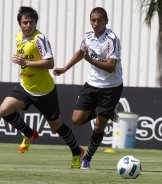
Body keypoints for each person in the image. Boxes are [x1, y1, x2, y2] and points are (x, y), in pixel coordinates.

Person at [0, 6, 83, 169]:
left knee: (56, 126)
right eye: (25, 22)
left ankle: (76, 151)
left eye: (31, 22)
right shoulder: (18, 37)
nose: (28, 25)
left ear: (35, 23)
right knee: (4, 110)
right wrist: (23, 69)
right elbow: (26, 59)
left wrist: (26, 63)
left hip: (44, 91)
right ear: (20, 24)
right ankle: (30, 133)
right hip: (25, 86)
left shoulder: (40, 38)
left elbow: (50, 63)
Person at [53, 7, 123, 170]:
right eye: (93, 20)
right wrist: (65, 68)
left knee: (99, 125)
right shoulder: (88, 36)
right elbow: (81, 52)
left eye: (99, 20)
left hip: (111, 87)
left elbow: (111, 66)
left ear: (106, 21)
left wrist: (90, 61)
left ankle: (88, 158)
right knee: (76, 120)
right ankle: (106, 112)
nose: (95, 23)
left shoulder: (112, 39)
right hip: (92, 84)